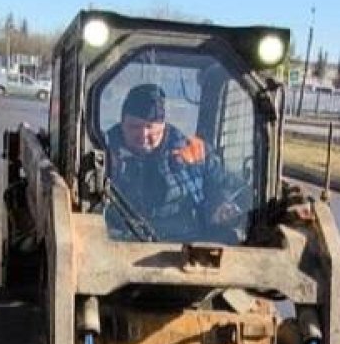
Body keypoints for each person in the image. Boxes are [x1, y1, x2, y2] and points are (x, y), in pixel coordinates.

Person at [103, 83, 246, 242]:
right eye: (134, 126)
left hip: (186, 247)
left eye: (150, 127)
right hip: (120, 244)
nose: (143, 135)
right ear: (122, 123)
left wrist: (219, 204)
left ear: (163, 126)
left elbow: (224, 186)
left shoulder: (194, 152)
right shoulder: (103, 154)